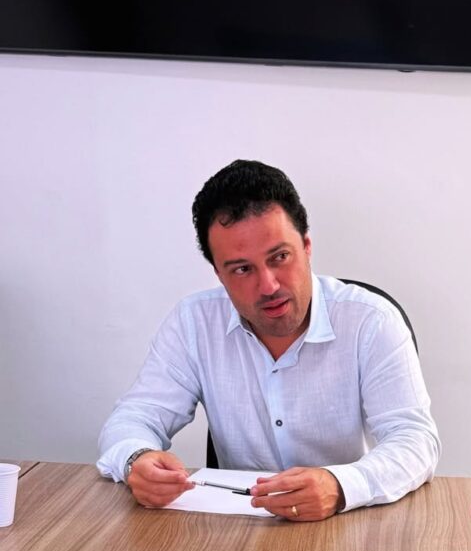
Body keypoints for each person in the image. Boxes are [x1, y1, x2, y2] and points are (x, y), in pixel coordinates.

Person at [98, 160, 440, 520]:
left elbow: (415, 441)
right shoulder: (193, 322)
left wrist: (340, 485)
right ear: (219, 274)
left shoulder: (371, 320)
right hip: (237, 529)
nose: (268, 286)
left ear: (306, 246)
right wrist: (136, 459)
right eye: (242, 269)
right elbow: (133, 418)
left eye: (280, 257)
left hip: (345, 522)